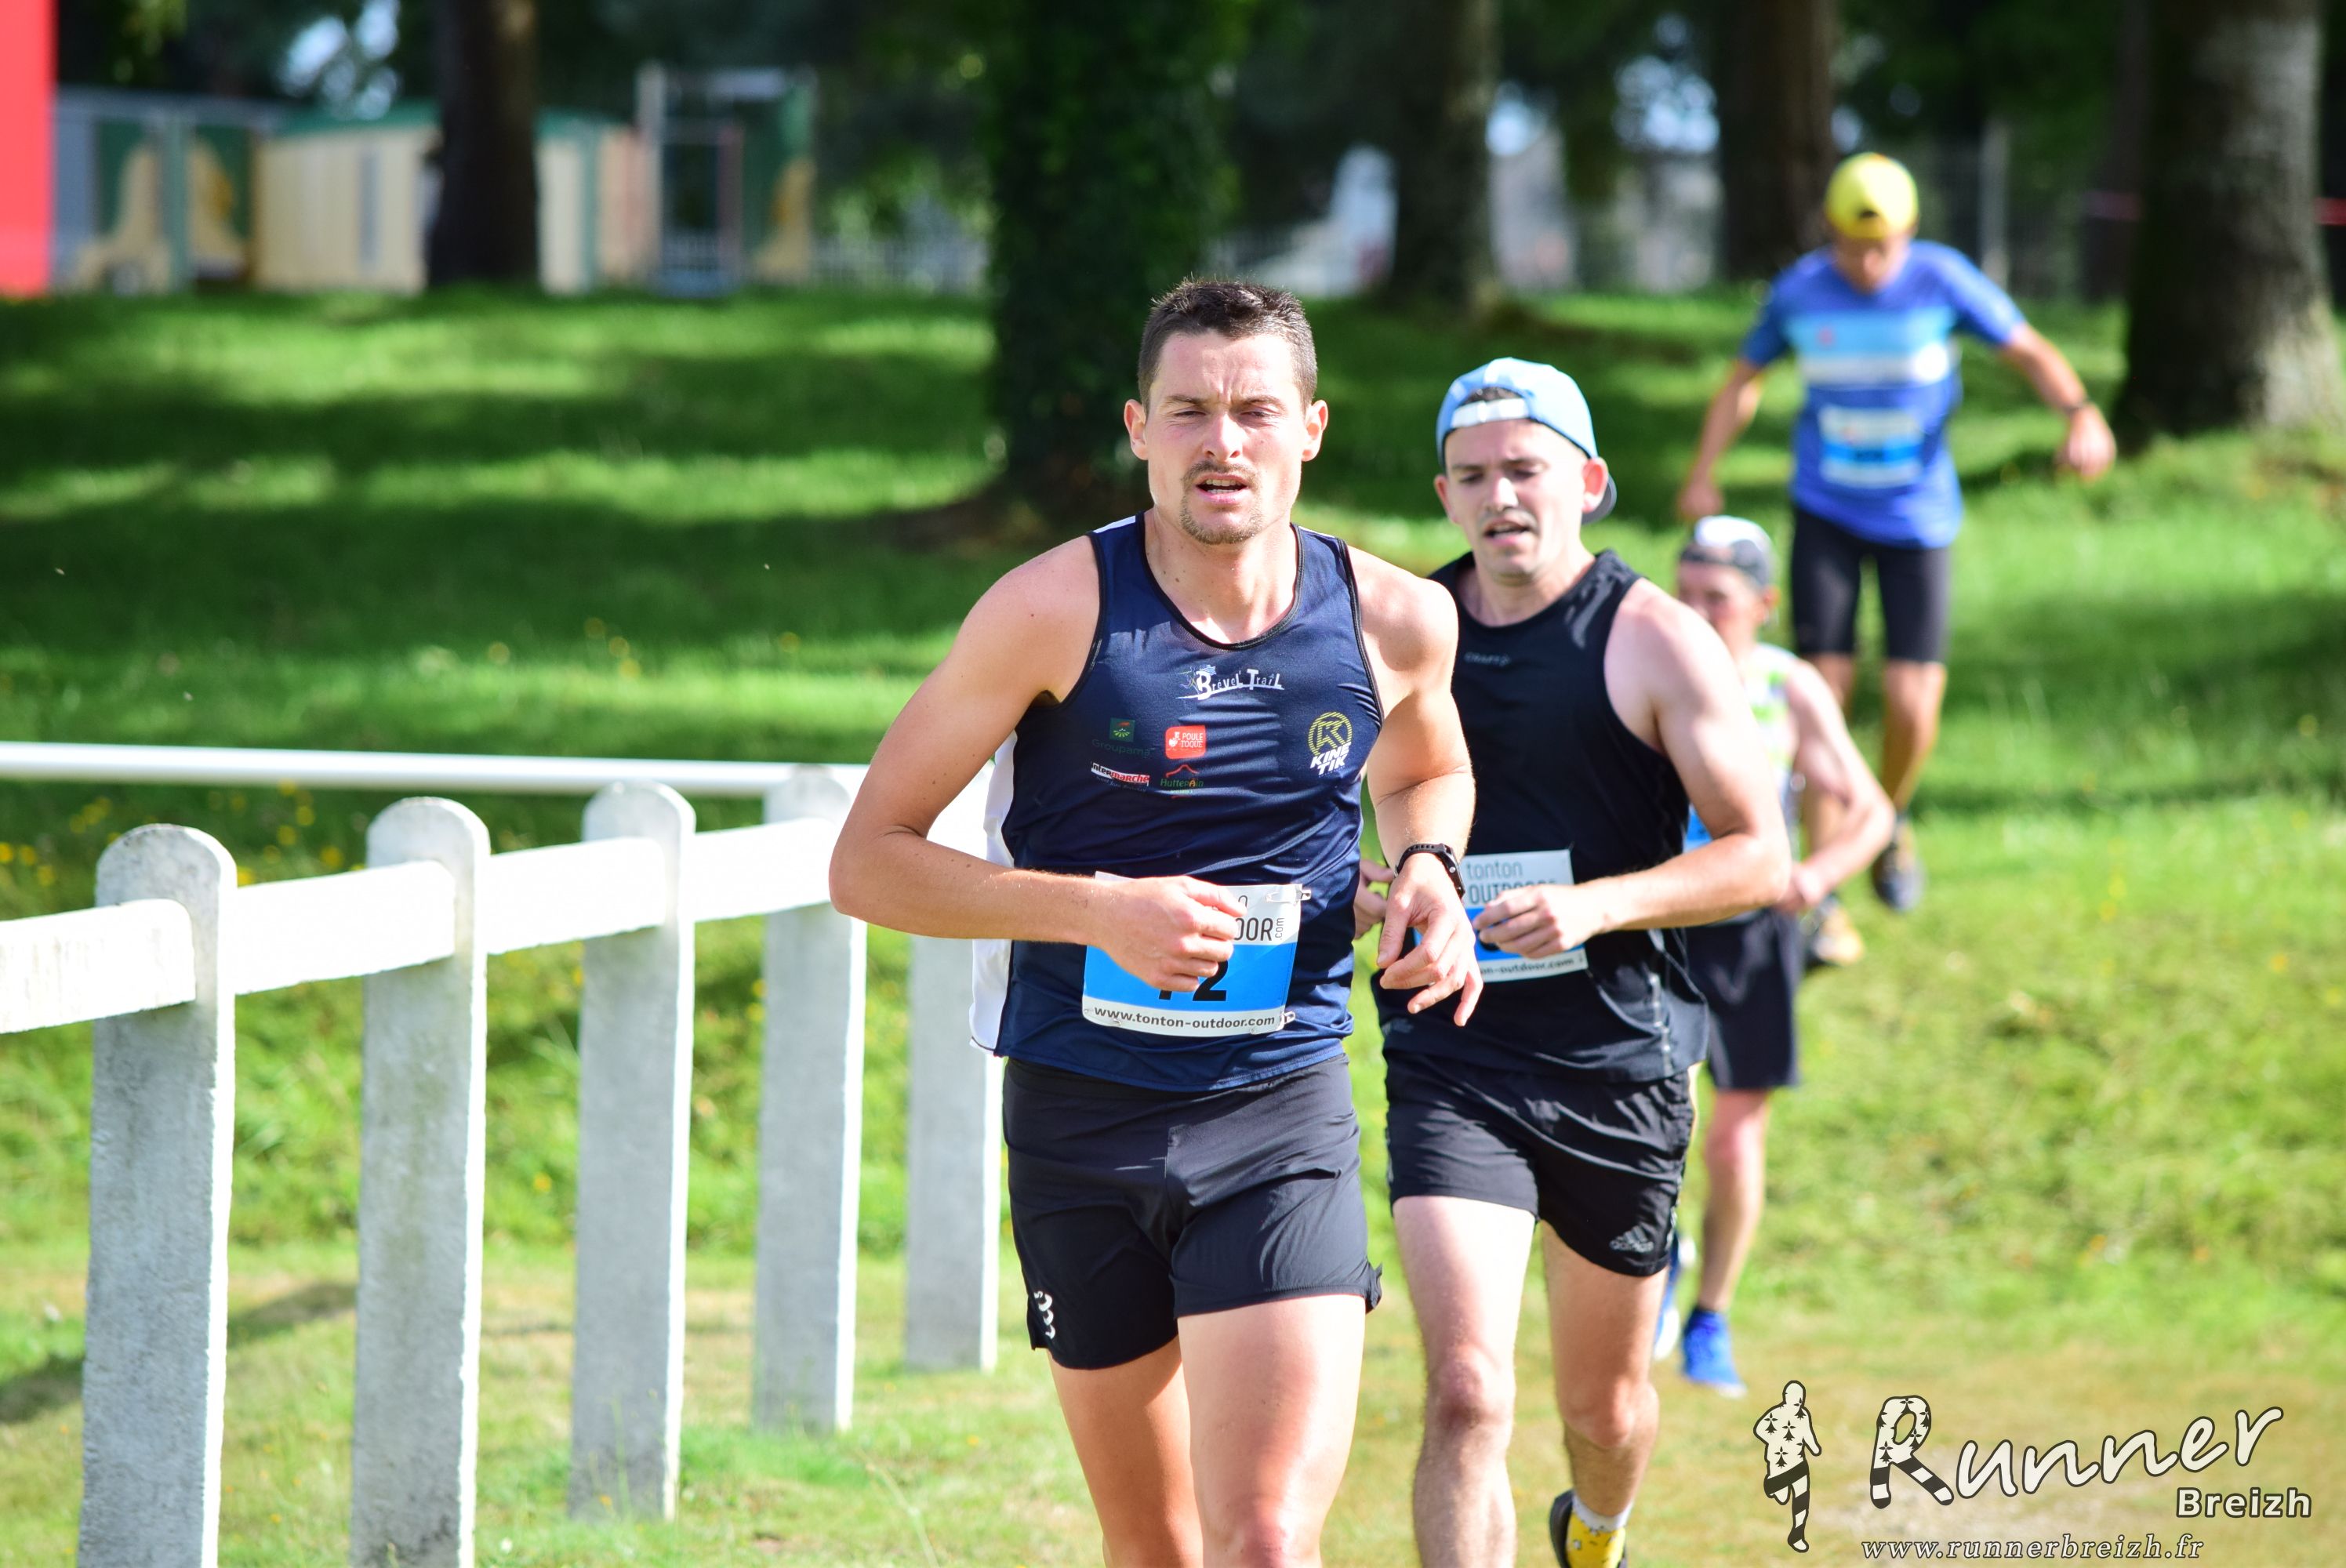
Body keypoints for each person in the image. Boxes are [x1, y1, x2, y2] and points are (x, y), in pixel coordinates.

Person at [829, 278, 1484, 1568]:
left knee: (1264, 1541)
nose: (1220, 442)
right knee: (1157, 1549)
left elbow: (1426, 769)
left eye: (1255, 411)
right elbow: (868, 864)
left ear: (1310, 429)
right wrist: (1096, 914)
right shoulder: (1050, 610)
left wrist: (1428, 868)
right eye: (1187, 411)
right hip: (1079, 1116)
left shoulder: (1397, 618)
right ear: (1139, 429)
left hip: (1277, 1111)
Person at [1361, 358, 1789, 1568]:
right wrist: (1363, 886)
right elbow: (1315, 796)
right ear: (1445, 495)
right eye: (1473, 476)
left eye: (1526, 470)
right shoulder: (1405, 633)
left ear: (1589, 483)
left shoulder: (1657, 639)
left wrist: (1594, 907)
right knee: (1466, 1394)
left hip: (1616, 1064)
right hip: (1454, 1053)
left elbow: (1762, 855)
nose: (1501, 497)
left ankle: (1595, 1532)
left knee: (1602, 1415)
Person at [1675, 151, 2114, 920]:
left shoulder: (1943, 280)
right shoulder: (1800, 290)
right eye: (1852, 246)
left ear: (1909, 232)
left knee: (1913, 705)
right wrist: (1704, 469)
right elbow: (1743, 380)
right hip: (1826, 511)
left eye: (1881, 247)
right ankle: (1822, 889)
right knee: (1822, 693)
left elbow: (2027, 349)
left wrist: (2079, 413)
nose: (1868, 263)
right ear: (1829, 231)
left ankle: (1888, 819)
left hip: (1917, 519)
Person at [1669, 515, 1894, 1396]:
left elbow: (1870, 807)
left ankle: (1710, 1317)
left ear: (1764, 605)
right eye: (1685, 591)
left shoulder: (1785, 683)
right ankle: (1659, 1261)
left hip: (1753, 933)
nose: (1697, 611)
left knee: (1734, 1139)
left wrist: (1818, 876)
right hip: (1661, 918)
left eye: (1717, 598)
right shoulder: (1647, 657)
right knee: (1668, 1115)